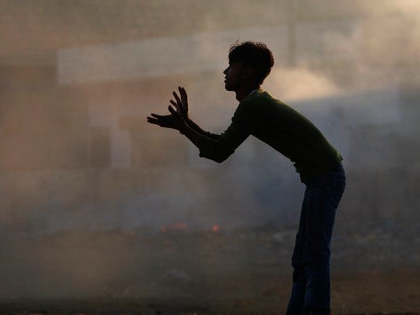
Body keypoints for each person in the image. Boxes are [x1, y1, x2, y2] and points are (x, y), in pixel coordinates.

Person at [147, 41, 345, 315]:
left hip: (326, 177)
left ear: (248, 73)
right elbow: (220, 143)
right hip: (321, 177)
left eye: (232, 66)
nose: (225, 72)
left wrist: (183, 127)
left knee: (313, 257)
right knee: (303, 260)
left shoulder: (254, 106)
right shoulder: (255, 103)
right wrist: (186, 124)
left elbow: (218, 152)